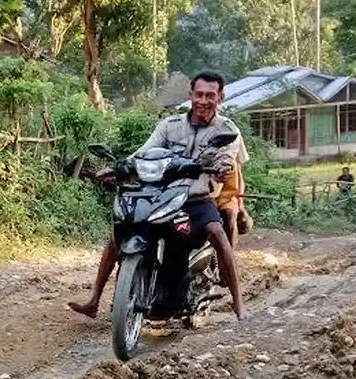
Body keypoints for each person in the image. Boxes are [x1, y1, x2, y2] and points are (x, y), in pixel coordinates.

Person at [68, 70, 246, 321]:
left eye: (210, 95)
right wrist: (119, 168)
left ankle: (238, 302)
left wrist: (222, 166)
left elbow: (227, 155)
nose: (203, 101)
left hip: (196, 199)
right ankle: (95, 300)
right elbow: (143, 153)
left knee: (217, 230)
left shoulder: (226, 129)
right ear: (190, 95)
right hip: (160, 194)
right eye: (199, 94)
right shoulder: (169, 126)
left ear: (220, 98)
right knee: (119, 231)